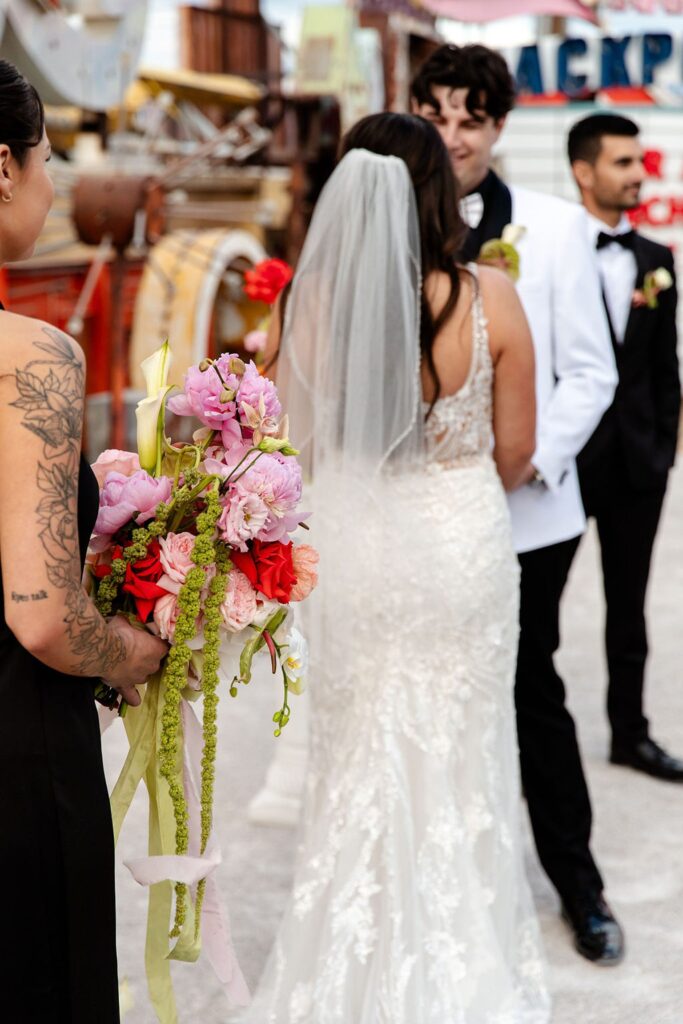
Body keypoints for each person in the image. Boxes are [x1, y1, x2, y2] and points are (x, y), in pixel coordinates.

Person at [243, 112, 550, 1022]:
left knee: (360, 751)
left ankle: (352, 955)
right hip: (459, 547)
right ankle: (461, 956)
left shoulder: (310, 303)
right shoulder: (489, 296)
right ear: (436, 194)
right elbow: (518, 452)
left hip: (360, 549)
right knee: (461, 750)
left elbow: (281, 440)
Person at [411, 44, 624, 965]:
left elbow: (590, 371)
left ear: (498, 127)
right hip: (413, 515)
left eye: (472, 119)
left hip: (529, 514)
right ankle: (440, 882)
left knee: (531, 691)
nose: (453, 136)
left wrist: (521, 459)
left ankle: (579, 889)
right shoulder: (381, 219)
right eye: (438, 114)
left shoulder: (550, 226)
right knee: (425, 697)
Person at [0, 60, 167, 1023]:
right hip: (13, 760)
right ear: (3, 167)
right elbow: (45, 618)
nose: (55, 181)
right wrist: (137, 650)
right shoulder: (31, 357)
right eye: (48, 156)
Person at [568, 113, 683, 781]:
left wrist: (663, 448)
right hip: (563, 462)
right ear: (583, 171)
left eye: (637, 161)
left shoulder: (655, 261)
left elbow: (665, 366)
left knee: (628, 607)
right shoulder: (551, 254)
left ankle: (629, 734)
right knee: (535, 604)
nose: (636, 173)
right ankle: (526, 735)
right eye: (621, 162)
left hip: (638, 462)